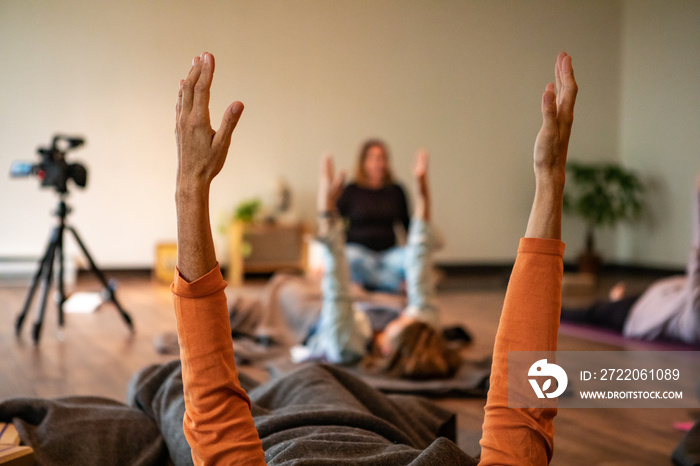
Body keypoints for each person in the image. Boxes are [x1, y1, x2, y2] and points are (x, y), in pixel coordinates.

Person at [173, 50, 577, 464]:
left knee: (179, 374)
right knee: (394, 266)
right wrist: (549, 181)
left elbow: (215, 417)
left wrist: (191, 185)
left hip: (319, 369)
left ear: (385, 351)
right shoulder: (417, 324)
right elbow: (522, 419)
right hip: (364, 265)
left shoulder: (350, 345)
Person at [298, 149, 460, 378]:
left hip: (385, 257)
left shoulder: (345, 344)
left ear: (386, 349)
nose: (407, 317)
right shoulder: (423, 332)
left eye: (404, 323)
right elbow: (419, 254)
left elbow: (337, 292)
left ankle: (372, 280)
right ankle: (381, 281)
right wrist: (424, 195)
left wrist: (326, 211)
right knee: (357, 255)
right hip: (362, 255)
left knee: (329, 270)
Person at [561, 175, 700, 344]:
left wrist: (697, 196)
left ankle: (545, 311)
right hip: (658, 296)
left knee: (591, 312)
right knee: (616, 298)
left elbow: (697, 256)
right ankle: (618, 295)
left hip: (637, 311)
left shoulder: (695, 322)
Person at [336, 139, 411, 292]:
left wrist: (415, 252)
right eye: (373, 158)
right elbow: (334, 221)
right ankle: (391, 284)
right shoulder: (352, 190)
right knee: (348, 257)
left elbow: (407, 225)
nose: (378, 163)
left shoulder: (396, 191)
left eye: (382, 157)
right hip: (360, 254)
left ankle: (368, 283)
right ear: (363, 162)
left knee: (411, 259)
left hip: (389, 255)